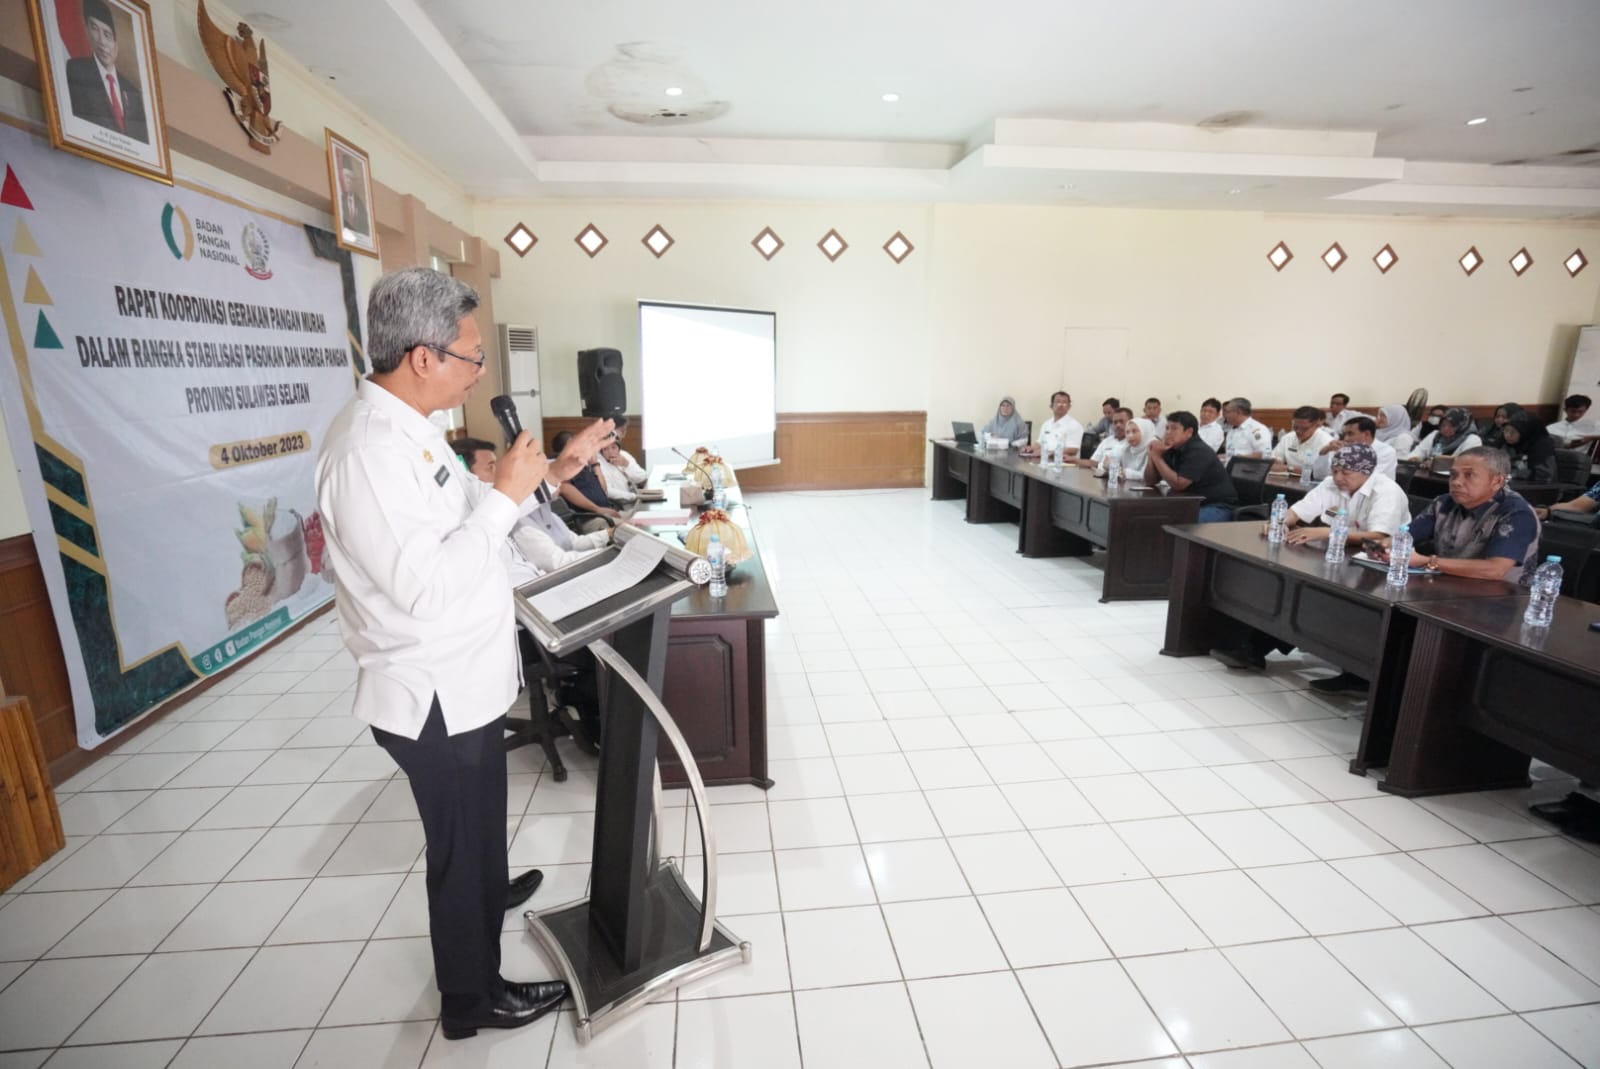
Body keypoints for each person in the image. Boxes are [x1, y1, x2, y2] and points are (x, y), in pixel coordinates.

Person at [315, 267, 613, 1040]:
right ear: (422, 356)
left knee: (480, 827)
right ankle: (471, 999)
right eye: (471, 356)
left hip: (466, 683)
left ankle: (486, 891)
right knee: (457, 847)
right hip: (430, 692)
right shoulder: (368, 453)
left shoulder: (416, 432)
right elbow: (427, 587)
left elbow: (481, 512)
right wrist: (510, 499)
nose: (480, 371)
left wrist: (557, 469)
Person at [1218, 444, 1412, 689]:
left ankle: (1358, 675)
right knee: (1295, 586)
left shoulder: (1386, 492)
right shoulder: (1332, 483)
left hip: (1382, 565)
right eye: (1336, 470)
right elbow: (1299, 511)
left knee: (1334, 602)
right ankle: (1255, 649)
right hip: (1340, 556)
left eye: (1346, 472)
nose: (1338, 477)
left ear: (1367, 472)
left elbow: (1380, 535)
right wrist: (1279, 521)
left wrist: (1326, 531)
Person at [1376, 447, 1541, 584]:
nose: (1456, 482)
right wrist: (1384, 547)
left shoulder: (1517, 513)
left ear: (1497, 481)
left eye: (1468, 475)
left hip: (1500, 601)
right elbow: (1407, 536)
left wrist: (1427, 561)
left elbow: (1495, 570)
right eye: (1453, 475)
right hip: (1447, 585)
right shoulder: (1444, 503)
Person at [65, 0, 148, 142]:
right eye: (95, 29)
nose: (102, 41)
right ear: (86, 29)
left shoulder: (133, 92)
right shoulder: (76, 70)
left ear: (116, 44)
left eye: (107, 35)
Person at [1145, 410, 1239, 522]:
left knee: (1182, 524)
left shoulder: (1199, 451)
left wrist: (1157, 458)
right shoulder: (1172, 448)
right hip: (1191, 502)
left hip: (1218, 506)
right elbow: (1150, 481)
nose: (1168, 432)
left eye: (1174, 428)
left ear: (1189, 432)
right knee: (1153, 517)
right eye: (1167, 428)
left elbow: (1179, 484)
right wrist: (1152, 456)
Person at [552, 429, 621, 528]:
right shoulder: (563, 468)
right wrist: (597, 509)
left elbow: (604, 490)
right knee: (631, 527)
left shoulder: (583, 466)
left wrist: (595, 464)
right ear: (569, 445)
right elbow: (564, 487)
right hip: (591, 519)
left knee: (638, 519)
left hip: (607, 512)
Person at [1310, 416, 1398, 480]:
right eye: (1345, 434)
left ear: (1366, 434)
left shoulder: (1386, 452)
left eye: (1350, 434)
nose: (1346, 438)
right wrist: (1324, 452)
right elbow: (1319, 476)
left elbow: (1365, 480)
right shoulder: (1345, 449)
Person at [1271, 406, 1334, 474]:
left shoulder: (1327, 443)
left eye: (1304, 429)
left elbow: (1323, 473)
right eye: (1296, 427)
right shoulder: (1288, 437)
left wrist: (1289, 468)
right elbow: (1273, 460)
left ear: (1317, 424)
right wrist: (1275, 461)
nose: (1299, 432)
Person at [1407, 406, 1483, 463]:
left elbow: (1465, 463)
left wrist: (1435, 464)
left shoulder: (1472, 440)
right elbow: (1418, 452)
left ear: (1462, 426)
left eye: (1452, 425)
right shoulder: (1435, 435)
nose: (1446, 429)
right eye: (1443, 425)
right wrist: (1415, 458)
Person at [1021, 391, 1083, 459]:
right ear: (1051, 406)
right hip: (1045, 460)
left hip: (1064, 464)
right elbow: (1040, 443)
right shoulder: (1046, 424)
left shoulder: (1074, 425)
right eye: (1058, 402)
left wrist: (1047, 453)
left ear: (1069, 407)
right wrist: (1030, 448)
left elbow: (1073, 450)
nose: (1061, 405)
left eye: (1064, 402)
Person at [1500, 411, 1558, 483]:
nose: (1507, 435)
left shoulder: (1542, 446)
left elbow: (1544, 475)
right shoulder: (1510, 444)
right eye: (1505, 430)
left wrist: (1514, 474)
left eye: (1512, 432)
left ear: (1525, 432)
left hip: (1537, 489)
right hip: (1514, 485)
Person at [596, 435, 648, 503]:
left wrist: (627, 465)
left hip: (635, 498)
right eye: (605, 449)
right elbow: (608, 491)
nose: (610, 452)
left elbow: (642, 477)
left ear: (618, 448)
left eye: (613, 447)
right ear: (601, 451)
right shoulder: (599, 463)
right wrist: (632, 496)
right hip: (620, 504)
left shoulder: (624, 455)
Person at [1096, 415, 1151, 480]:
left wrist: (1116, 469)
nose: (1130, 435)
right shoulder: (1126, 447)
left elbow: (1144, 476)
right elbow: (1103, 465)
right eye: (1127, 432)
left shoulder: (1151, 449)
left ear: (1144, 431)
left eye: (1134, 431)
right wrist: (1107, 466)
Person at [337, 151, 371, 237]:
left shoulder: (360, 204)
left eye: (351, 178)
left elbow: (366, 229)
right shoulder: (339, 199)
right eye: (346, 177)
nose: (348, 181)